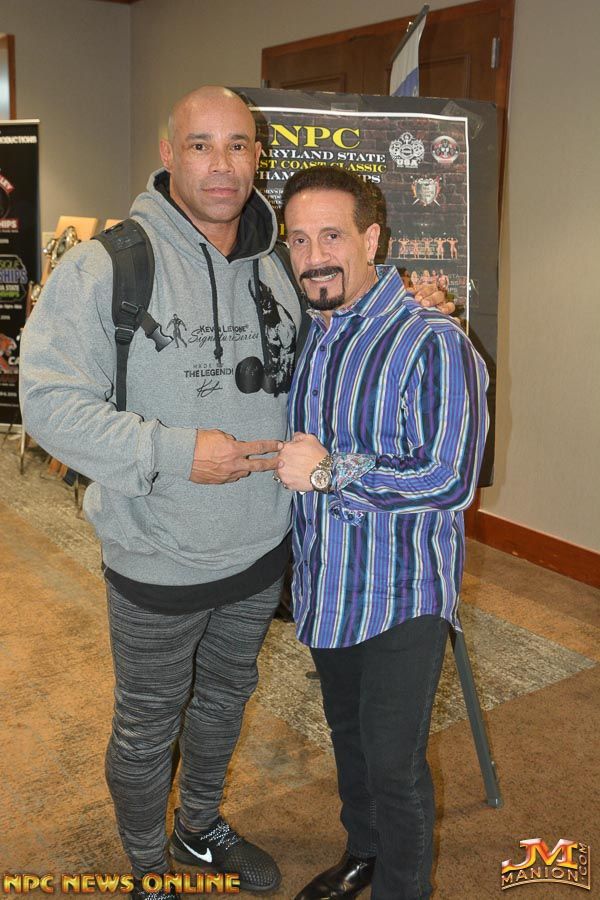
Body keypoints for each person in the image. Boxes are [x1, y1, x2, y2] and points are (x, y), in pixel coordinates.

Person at [20, 86, 451, 899]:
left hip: (260, 550)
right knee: (147, 727)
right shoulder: (107, 266)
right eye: (200, 145)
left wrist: (416, 305)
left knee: (224, 702)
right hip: (157, 555)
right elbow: (47, 404)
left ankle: (200, 828)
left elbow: (346, 320)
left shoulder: (283, 265)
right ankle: (149, 868)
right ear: (168, 153)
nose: (221, 164)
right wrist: (177, 453)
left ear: (258, 155)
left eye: (238, 145)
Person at [275, 166, 489, 900]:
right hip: (326, 585)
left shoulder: (434, 341)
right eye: (299, 240)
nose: (314, 257)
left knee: (395, 765)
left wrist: (330, 472)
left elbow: (450, 479)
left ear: (372, 240)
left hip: (401, 594)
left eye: (332, 236)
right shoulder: (315, 334)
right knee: (350, 741)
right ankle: (362, 852)